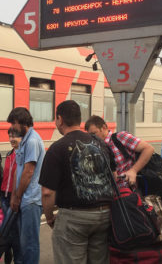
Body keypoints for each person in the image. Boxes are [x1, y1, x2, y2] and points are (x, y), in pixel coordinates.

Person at [40, 101, 116, 264]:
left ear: (59, 119)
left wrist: (49, 216)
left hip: (74, 218)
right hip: (103, 215)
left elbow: (47, 192)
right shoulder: (101, 144)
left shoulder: (57, 148)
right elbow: (114, 176)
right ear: (79, 119)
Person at [7, 107, 45, 264]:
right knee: (23, 242)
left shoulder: (32, 141)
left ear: (21, 123)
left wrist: (17, 196)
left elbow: (28, 172)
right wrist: (14, 195)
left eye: (13, 124)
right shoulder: (25, 140)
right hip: (24, 198)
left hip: (31, 199)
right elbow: (19, 169)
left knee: (29, 243)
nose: (12, 128)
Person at [85, 115, 154, 189]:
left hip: (126, 191)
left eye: (94, 133)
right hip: (108, 193)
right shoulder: (96, 147)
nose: (92, 138)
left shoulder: (120, 137)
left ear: (104, 127)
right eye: (90, 135)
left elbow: (148, 149)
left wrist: (133, 170)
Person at [0, 127, 22, 264]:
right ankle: (8, 258)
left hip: (15, 198)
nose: (12, 139)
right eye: (10, 136)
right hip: (4, 196)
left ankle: (18, 259)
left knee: (10, 231)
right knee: (7, 231)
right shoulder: (9, 154)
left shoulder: (23, 155)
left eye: (15, 136)